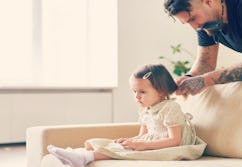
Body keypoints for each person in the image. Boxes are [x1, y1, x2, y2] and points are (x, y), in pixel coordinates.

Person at [47, 64, 206, 167]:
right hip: (153, 143)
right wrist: (132, 141)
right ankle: (77, 153)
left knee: (130, 151)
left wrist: (142, 146)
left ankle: (84, 157)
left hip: (175, 147)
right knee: (118, 145)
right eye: (134, 92)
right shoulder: (145, 109)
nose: (137, 97)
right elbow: (143, 136)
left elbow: (175, 140)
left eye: (142, 92)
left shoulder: (170, 108)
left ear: (162, 91)